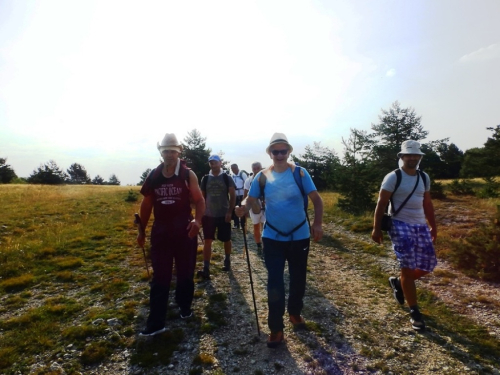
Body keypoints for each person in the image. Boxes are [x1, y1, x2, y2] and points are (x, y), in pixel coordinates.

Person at [235, 133, 324, 348]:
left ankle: (294, 312)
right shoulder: (262, 177)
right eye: (276, 151)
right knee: (274, 282)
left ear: (289, 152)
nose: (280, 154)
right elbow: (251, 198)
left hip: (299, 235)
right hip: (272, 237)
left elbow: (317, 200)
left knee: (298, 278)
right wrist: (244, 207)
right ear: (270, 153)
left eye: (284, 151)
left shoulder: (300, 174)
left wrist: (318, 223)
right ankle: (276, 328)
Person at [137, 133, 205, 336]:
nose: (169, 154)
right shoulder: (154, 176)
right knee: (161, 276)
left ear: (179, 152)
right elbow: (147, 203)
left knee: (185, 273)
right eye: (165, 150)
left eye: (172, 151)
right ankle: (156, 322)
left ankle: (184, 307)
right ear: (161, 152)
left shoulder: (187, 175)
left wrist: (198, 221)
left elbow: (200, 201)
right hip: (161, 233)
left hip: (185, 232)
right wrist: (141, 230)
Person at [371, 140, 437, 331]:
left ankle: (399, 283)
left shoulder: (424, 177)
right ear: (402, 157)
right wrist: (376, 228)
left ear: (420, 157)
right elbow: (381, 204)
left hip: (420, 225)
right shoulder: (393, 177)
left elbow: (427, 204)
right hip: (399, 224)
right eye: (408, 155)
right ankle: (415, 312)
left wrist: (433, 226)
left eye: (416, 155)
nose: (412, 158)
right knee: (408, 268)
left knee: (428, 265)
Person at [198, 155, 236, 278]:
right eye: (211, 163)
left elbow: (233, 195)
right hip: (208, 215)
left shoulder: (226, 177)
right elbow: (202, 197)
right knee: (207, 240)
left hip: (223, 214)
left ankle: (227, 260)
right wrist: (201, 213)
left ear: (220, 163)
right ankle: (206, 268)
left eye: (215, 162)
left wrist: (230, 212)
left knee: (226, 239)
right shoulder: (205, 179)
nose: (213, 164)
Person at [243, 162, 266, 254]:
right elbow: (245, 195)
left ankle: (266, 245)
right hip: (254, 207)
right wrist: (245, 208)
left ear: (261, 168)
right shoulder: (248, 181)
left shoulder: (268, 178)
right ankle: (259, 245)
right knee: (256, 226)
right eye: (254, 168)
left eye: (258, 168)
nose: (256, 170)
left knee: (266, 227)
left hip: (266, 206)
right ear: (252, 169)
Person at [231, 163, 248, 229]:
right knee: (235, 209)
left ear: (237, 168)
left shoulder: (242, 174)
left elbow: (246, 183)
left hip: (242, 194)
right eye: (232, 169)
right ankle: (236, 224)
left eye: (234, 169)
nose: (233, 170)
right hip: (235, 194)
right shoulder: (232, 176)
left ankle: (242, 224)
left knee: (242, 209)